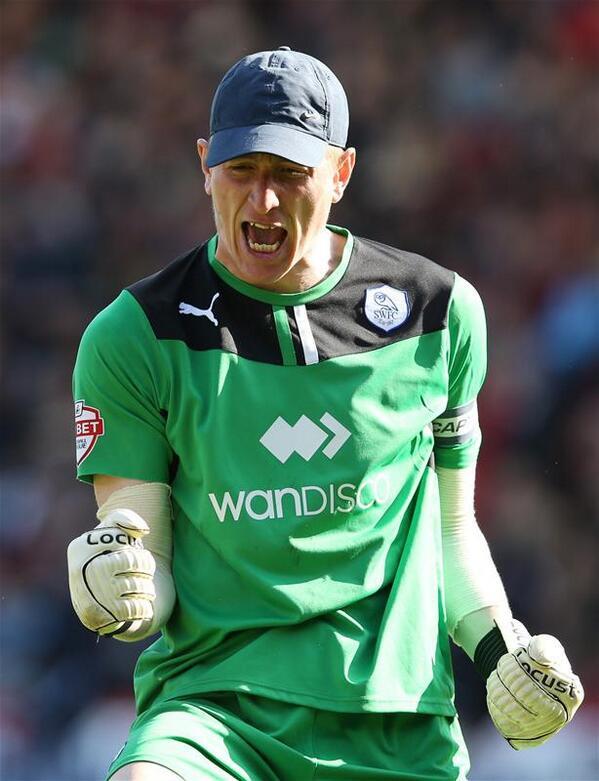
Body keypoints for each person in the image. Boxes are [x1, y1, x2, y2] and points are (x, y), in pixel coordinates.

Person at [68, 47, 584, 781]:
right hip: (215, 717)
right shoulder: (134, 335)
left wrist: (503, 650)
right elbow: (139, 547)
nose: (263, 202)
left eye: (289, 174)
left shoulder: (437, 314)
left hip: (396, 726)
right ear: (205, 164)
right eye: (242, 171)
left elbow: (450, 528)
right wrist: (114, 583)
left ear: (340, 174)